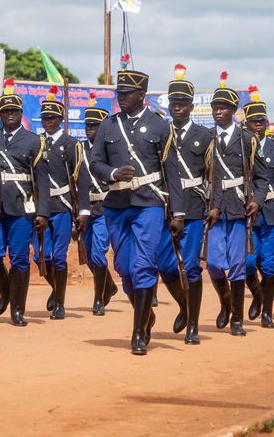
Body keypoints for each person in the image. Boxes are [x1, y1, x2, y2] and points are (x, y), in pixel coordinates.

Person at [90, 64, 172, 355]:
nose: (121, 97)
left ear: (142, 94)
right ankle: (145, 314)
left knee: (143, 265)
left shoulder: (160, 126)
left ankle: (138, 331)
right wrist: (112, 174)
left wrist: (178, 212)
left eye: (127, 93)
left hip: (148, 203)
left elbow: (170, 171)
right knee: (124, 268)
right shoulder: (108, 125)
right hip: (116, 205)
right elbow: (95, 162)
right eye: (119, 93)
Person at [0, 79, 47, 328]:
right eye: (5, 111)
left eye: (13, 111)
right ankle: (6, 293)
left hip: (22, 207)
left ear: (20, 114)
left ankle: (18, 309)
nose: (9, 115)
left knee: (20, 259)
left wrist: (43, 212)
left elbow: (42, 180)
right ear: (0, 114)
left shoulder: (33, 141)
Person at [202, 74, 257, 337]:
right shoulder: (206, 138)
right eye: (215, 107)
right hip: (213, 208)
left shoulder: (247, 140)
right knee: (213, 263)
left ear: (234, 111)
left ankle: (237, 318)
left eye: (222, 108)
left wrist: (256, 198)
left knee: (236, 264)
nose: (217, 112)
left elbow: (262, 175)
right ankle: (226, 302)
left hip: (237, 208)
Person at [159, 64, 210, 345]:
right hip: (164, 207)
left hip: (192, 207)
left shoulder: (204, 137)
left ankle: (193, 325)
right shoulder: (160, 133)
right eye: (173, 104)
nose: (176, 108)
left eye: (182, 104)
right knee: (164, 265)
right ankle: (183, 306)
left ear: (191, 106)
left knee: (190, 268)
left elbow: (212, 174)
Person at [38, 86, 84, 320]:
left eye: (52, 117)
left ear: (60, 118)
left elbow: (80, 178)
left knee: (58, 257)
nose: (48, 121)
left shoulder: (71, 144)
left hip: (63, 206)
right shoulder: (37, 143)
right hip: (42, 208)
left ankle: (60, 304)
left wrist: (82, 210)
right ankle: (56, 289)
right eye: (45, 117)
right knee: (41, 257)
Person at [242, 88, 274, 328]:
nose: (258, 125)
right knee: (247, 263)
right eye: (253, 121)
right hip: (247, 215)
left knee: (268, 265)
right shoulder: (241, 144)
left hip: (270, 213)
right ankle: (257, 295)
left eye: (261, 121)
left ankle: (267, 312)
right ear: (246, 123)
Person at [77, 97, 119, 315]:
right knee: (89, 256)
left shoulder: (110, 151)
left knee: (98, 254)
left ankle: (98, 300)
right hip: (85, 207)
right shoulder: (78, 149)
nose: (89, 129)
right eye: (87, 125)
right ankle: (109, 286)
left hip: (104, 206)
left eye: (94, 125)